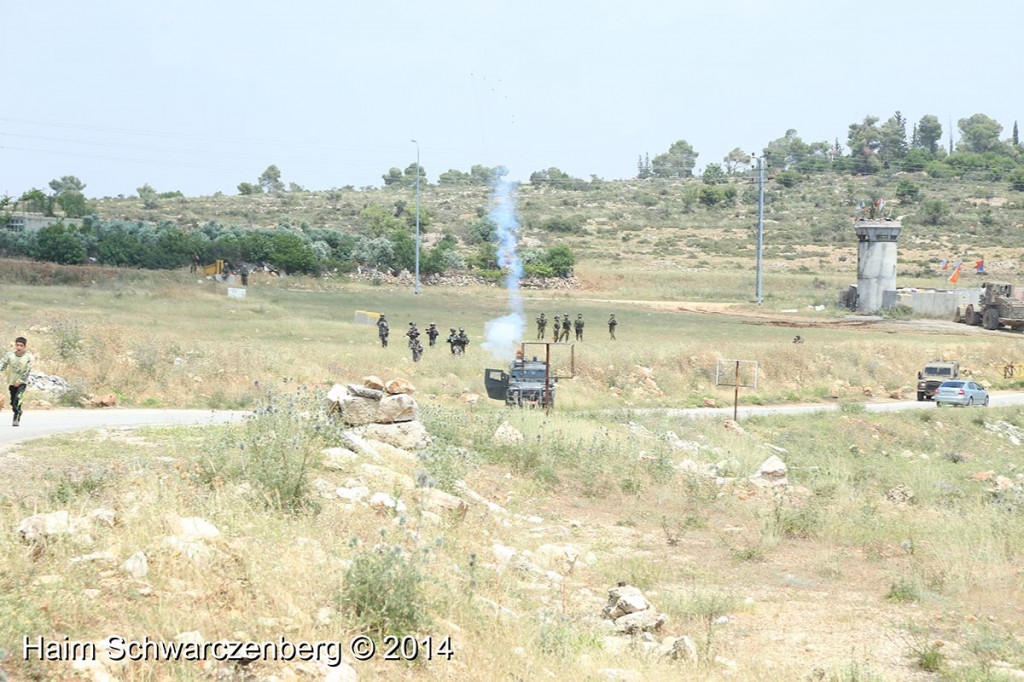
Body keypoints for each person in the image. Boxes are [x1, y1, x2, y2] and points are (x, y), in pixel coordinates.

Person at [2, 337, 33, 427]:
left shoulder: (28, 357)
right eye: (17, 345)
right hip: (12, 382)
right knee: (12, 402)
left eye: (21, 345)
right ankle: (17, 411)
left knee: (17, 400)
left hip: (22, 383)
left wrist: (20, 381)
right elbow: (3, 365)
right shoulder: (10, 356)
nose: (19, 347)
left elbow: (27, 371)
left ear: (24, 347)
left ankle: (16, 417)